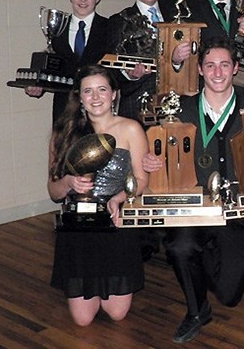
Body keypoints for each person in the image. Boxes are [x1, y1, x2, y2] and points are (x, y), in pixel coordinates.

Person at [143, 37, 244, 343]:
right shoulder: (180, 112)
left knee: (230, 296)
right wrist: (151, 161)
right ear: (199, 69)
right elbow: (162, 157)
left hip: (238, 213)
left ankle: (236, 252)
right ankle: (197, 310)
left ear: (236, 68)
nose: (217, 72)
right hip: (195, 210)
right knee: (179, 248)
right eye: (210, 65)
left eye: (225, 65)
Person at [48, 65, 149, 326]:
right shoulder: (64, 132)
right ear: (79, 97)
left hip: (115, 222)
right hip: (78, 226)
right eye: (88, 91)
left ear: (114, 94)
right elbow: (53, 191)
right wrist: (69, 182)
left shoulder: (131, 129)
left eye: (102, 89)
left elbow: (142, 179)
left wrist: (119, 197)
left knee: (117, 313)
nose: (95, 97)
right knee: (83, 320)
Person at [26, 0, 110, 124]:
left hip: (98, 110)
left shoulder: (109, 27)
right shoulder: (58, 27)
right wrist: (38, 85)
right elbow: (53, 64)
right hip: (64, 110)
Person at [107, 0, 169, 122]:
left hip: (173, 107)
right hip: (135, 108)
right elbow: (109, 69)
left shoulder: (177, 19)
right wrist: (129, 74)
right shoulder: (119, 21)